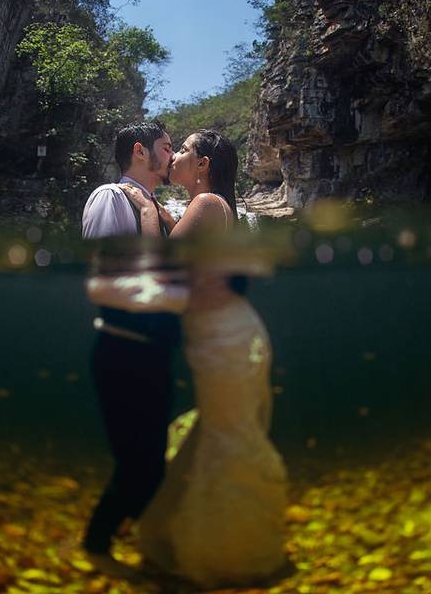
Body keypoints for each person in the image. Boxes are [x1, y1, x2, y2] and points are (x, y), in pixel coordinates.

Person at [120, 130, 289, 589]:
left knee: (226, 438)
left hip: (226, 338)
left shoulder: (208, 205)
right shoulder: (210, 207)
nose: (174, 156)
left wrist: (144, 211)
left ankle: (227, 555)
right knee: (213, 435)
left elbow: (162, 266)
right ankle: (190, 546)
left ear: (203, 165)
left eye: (185, 151)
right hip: (225, 333)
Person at [80, 121, 181, 576]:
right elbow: (108, 278)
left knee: (150, 468)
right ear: (141, 152)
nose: (172, 153)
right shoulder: (110, 197)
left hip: (151, 354)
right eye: (165, 147)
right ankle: (96, 548)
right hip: (123, 352)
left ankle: (121, 540)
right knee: (138, 468)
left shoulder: (158, 207)